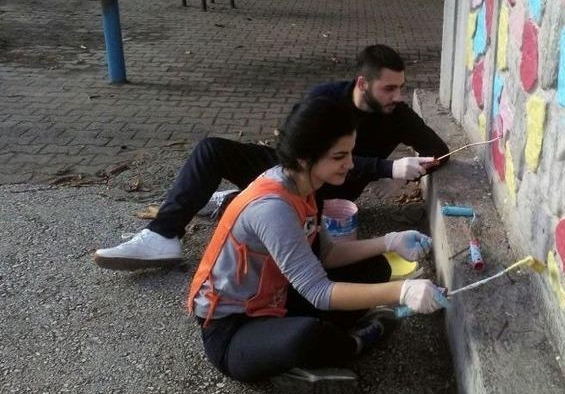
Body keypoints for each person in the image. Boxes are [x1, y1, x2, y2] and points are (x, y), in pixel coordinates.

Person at [94, 44, 449, 270]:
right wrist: (386, 167)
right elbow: (295, 154)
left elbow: (441, 151)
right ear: (362, 84)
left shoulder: (397, 114)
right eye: (389, 88)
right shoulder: (326, 98)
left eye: (401, 87)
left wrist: (417, 167)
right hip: (298, 174)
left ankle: (234, 202)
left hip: (333, 196)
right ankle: (164, 236)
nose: (397, 95)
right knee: (211, 150)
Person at [188, 95, 447, 394]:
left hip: (277, 299)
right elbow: (319, 291)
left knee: (376, 267)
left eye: (350, 153)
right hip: (233, 329)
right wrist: (401, 292)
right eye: (339, 157)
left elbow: (328, 254)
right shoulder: (273, 207)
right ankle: (349, 346)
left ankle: (304, 358)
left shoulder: (307, 186)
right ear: (304, 158)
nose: (350, 164)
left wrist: (389, 241)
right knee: (306, 336)